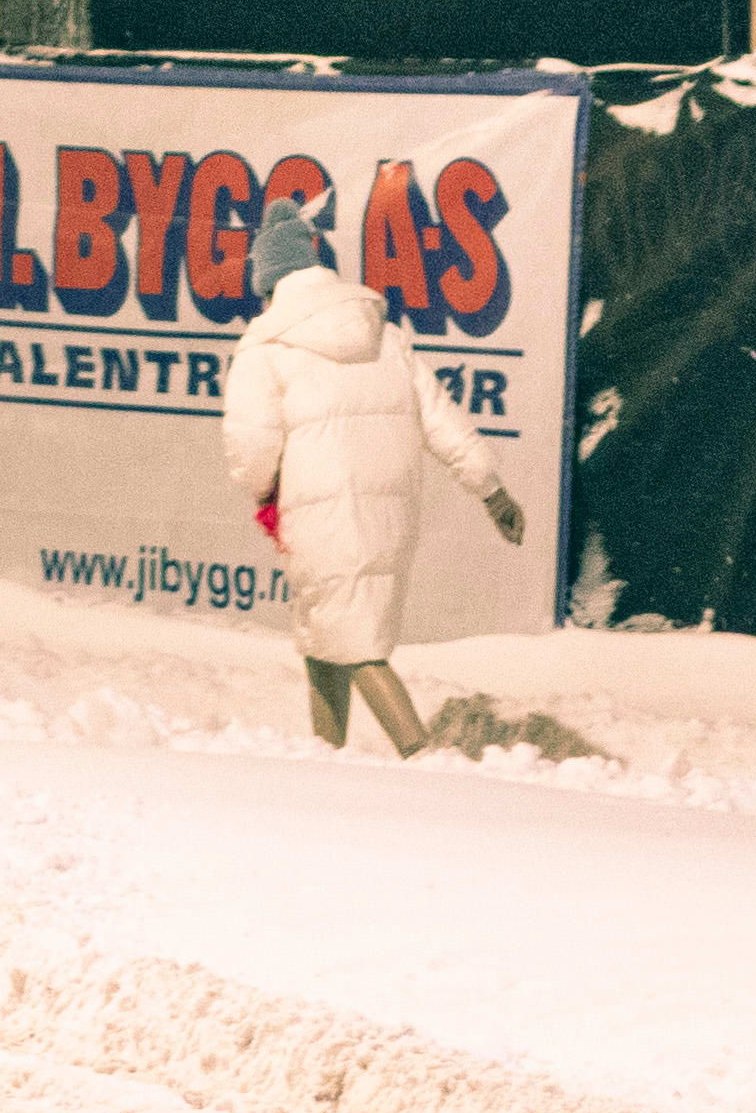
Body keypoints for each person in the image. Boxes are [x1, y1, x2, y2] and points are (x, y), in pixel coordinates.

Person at [216, 192, 528, 754]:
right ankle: (325, 755)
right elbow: (442, 419)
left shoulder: (263, 346)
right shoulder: (385, 335)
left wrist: (261, 490)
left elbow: (251, 445)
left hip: (320, 510)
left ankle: (424, 755)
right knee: (325, 632)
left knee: (353, 641)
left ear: (270, 283)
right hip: (391, 508)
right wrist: (491, 489)